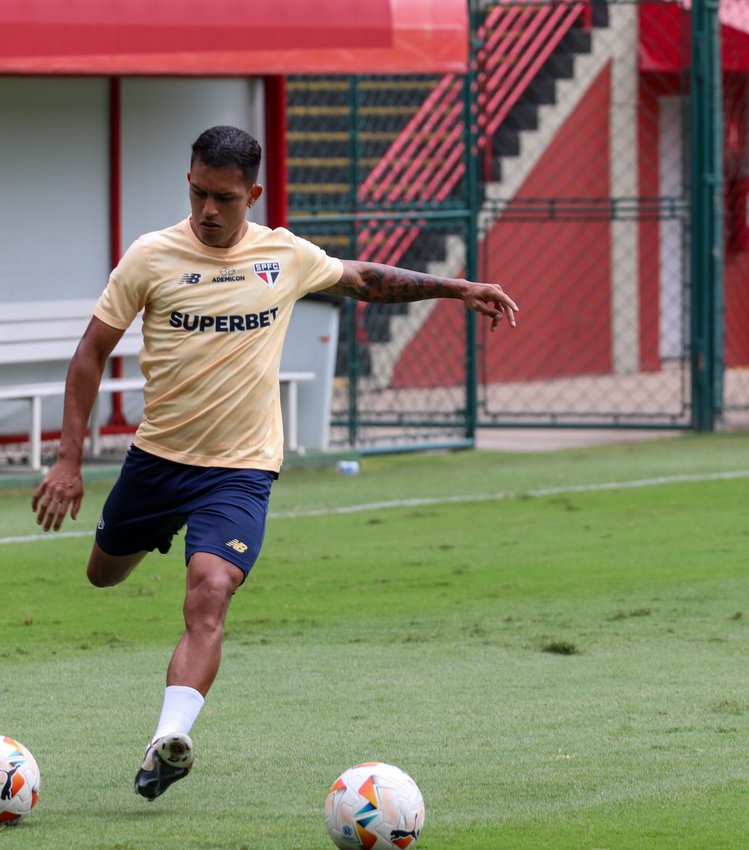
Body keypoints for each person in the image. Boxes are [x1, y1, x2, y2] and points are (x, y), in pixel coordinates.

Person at [31, 125, 518, 801]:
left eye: (223, 198)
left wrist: (456, 286)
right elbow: (90, 353)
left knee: (210, 591)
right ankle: (147, 542)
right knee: (102, 575)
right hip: (157, 461)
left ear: (252, 194)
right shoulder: (150, 257)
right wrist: (67, 461)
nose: (207, 209)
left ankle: (168, 740)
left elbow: (365, 279)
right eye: (198, 192)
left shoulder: (282, 256)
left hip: (241, 468)